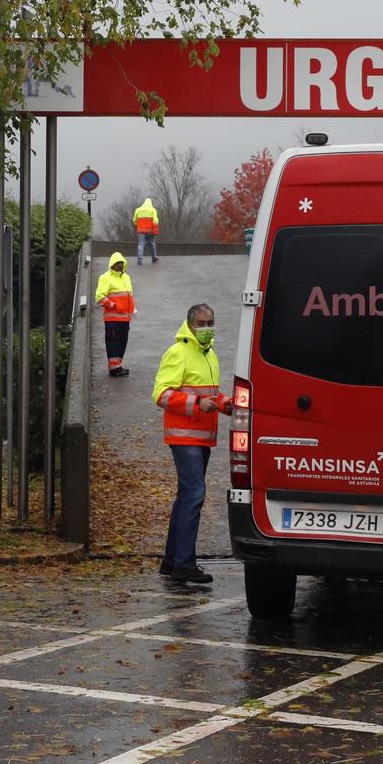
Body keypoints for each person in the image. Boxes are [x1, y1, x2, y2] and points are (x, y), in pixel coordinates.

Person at [153, 303, 230, 585]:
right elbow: (161, 394)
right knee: (194, 494)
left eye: (210, 322)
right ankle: (184, 564)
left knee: (187, 495)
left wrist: (225, 403)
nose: (207, 328)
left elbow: (210, 394)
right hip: (184, 436)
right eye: (201, 323)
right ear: (190, 325)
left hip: (200, 437)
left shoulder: (209, 355)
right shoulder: (178, 352)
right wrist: (198, 403)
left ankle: (173, 560)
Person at [93, 252, 137, 378]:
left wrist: (133, 308)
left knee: (122, 342)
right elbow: (99, 296)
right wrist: (111, 305)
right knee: (113, 342)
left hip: (125, 318)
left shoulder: (126, 277)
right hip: (112, 318)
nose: (120, 266)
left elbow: (129, 295)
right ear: (112, 264)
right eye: (117, 263)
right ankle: (113, 368)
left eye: (121, 263)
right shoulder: (105, 277)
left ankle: (118, 366)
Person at [134, 196, 161, 264]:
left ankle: (139, 258)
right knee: (152, 244)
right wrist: (156, 230)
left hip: (140, 231)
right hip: (150, 231)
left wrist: (138, 225)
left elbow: (134, 220)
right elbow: (155, 221)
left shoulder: (138, 210)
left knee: (140, 244)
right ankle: (154, 257)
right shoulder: (153, 210)